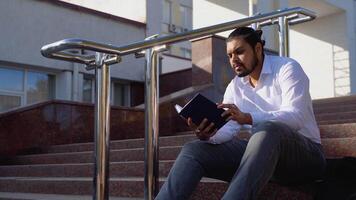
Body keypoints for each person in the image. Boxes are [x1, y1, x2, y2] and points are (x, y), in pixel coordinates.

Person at [156, 26, 326, 200]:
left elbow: (296, 116)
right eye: (230, 55)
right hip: (262, 160)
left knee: (267, 130)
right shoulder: (236, 86)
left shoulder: (287, 68)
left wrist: (249, 118)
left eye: (239, 52)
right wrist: (208, 133)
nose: (233, 60)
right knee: (194, 150)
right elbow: (228, 130)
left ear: (258, 49)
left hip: (304, 159)